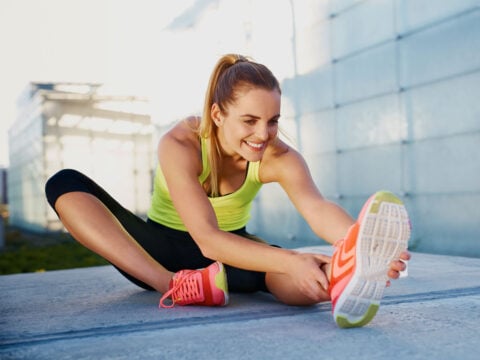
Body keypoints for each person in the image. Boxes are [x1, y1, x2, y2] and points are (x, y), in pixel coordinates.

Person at [45, 54, 411, 328]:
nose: (263, 134)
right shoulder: (181, 143)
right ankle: (174, 285)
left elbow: (316, 208)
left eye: (272, 121)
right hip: (157, 251)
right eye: (250, 121)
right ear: (218, 115)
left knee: (303, 276)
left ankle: (341, 277)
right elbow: (206, 239)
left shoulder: (278, 156)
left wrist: (359, 244)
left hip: (230, 255)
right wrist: (290, 259)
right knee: (64, 183)